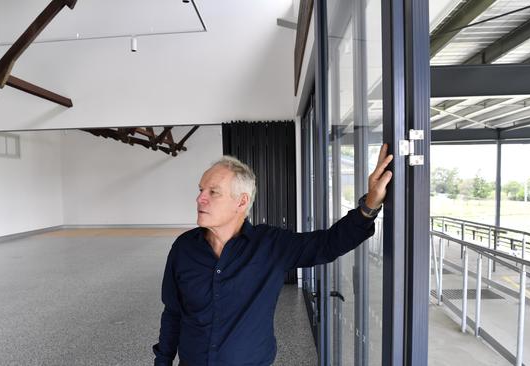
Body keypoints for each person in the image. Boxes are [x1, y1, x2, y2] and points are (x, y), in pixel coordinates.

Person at [153, 144, 393, 366]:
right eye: (200, 190)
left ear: (241, 202)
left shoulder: (270, 245)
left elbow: (328, 244)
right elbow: (173, 312)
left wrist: (369, 205)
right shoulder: (184, 248)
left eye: (213, 192)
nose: (199, 198)